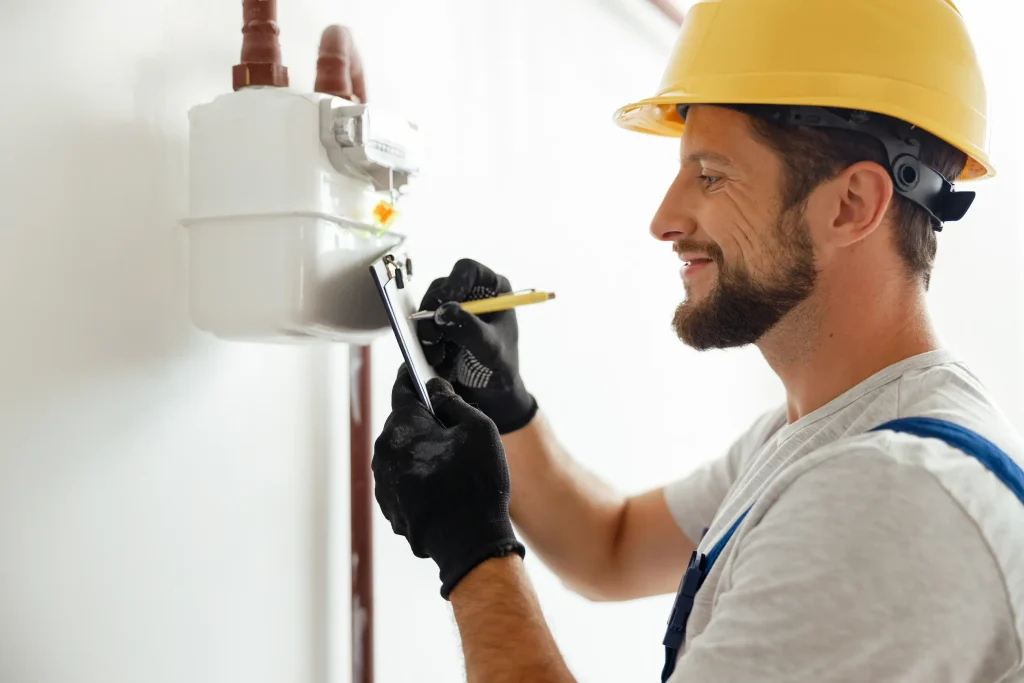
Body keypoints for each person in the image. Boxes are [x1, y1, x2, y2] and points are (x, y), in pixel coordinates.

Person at [369, 1, 1024, 681]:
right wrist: (505, 408)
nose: (664, 219)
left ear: (850, 204)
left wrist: (473, 553)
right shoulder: (826, 429)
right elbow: (611, 547)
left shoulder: (887, 500)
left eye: (710, 175)